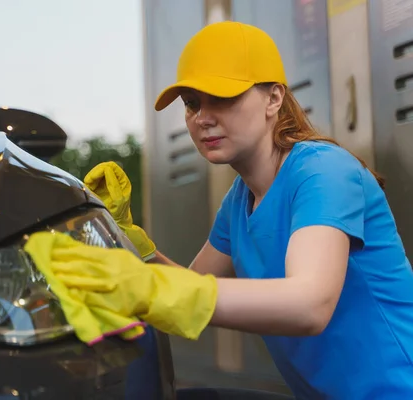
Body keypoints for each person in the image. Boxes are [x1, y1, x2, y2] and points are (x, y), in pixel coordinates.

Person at [24, 21, 413, 398]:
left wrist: (157, 290)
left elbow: (310, 305)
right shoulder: (239, 200)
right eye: (192, 104)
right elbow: (187, 291)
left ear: (274, 98)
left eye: (223, 98)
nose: (202, 118)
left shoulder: (322, 170)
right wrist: (135, 247)